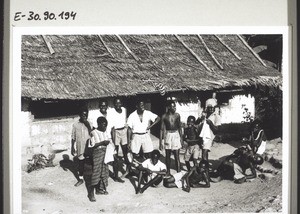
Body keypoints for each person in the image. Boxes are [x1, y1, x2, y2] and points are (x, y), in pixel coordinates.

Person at [85, 117, 111, 202]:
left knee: (103, 172)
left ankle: (99, 189)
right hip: (97, 154)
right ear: (99, 124)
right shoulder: (93, 133)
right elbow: (92, 145)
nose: (105, 127)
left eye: (106, 126)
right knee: (96, 173)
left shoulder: (105, 132)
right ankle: (90, 194)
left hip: (105, 153)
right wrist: (103, 143)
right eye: (104, 125)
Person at [160, 101, 183, 176]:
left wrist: (181, 138)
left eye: (175, 106)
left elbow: (179, 127)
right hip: (168, 135)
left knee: (176, 155)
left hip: (176, 134)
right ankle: (168, 171)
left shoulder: (177, 115)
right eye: (172, 106)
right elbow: (162, 129)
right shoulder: (164, 116)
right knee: (167, 155)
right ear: (169, 107)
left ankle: (179, 171)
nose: (174, 108)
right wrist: (160, 142)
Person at [71, 108, 93, 187]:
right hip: (80, 147)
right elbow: (73, 136)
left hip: (88, 147)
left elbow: (92, 135)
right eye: (83, 115)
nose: (84, 116)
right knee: (81, 163)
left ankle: (90, 178)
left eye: (86, 115)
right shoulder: (75, 124)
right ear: (80, 115)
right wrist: (72, 147)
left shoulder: (90, 123)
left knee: (89, 163)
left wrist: (88, 126)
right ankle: (80, 179)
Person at [110, 98, 130, 183]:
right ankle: (116, 175)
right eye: (116, 103)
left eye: (119, 103)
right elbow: (111, 126)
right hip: (116, 132)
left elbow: (125, 121)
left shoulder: (124, 110)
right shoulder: (111, 111)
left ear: (121, 103)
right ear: (114, 104)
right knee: (116, 154)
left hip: (123, 131)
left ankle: (128, 171)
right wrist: (112, 136)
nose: (118, 105)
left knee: (126, 153)